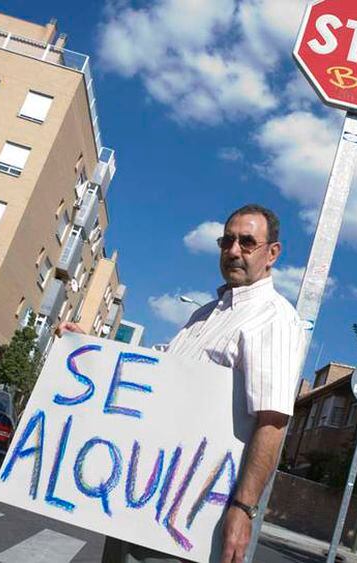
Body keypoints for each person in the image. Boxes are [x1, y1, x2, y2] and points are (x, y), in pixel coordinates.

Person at [56, 204, 305, 563]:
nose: (233, 251)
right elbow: (152, 372)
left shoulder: (275, 320)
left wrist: (243, 507)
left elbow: (273, 420)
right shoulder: (203, 315)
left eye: (247, 242)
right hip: (138, 497)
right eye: (227, 241)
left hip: (187, 517)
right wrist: (89, 348)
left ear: (272, 253)